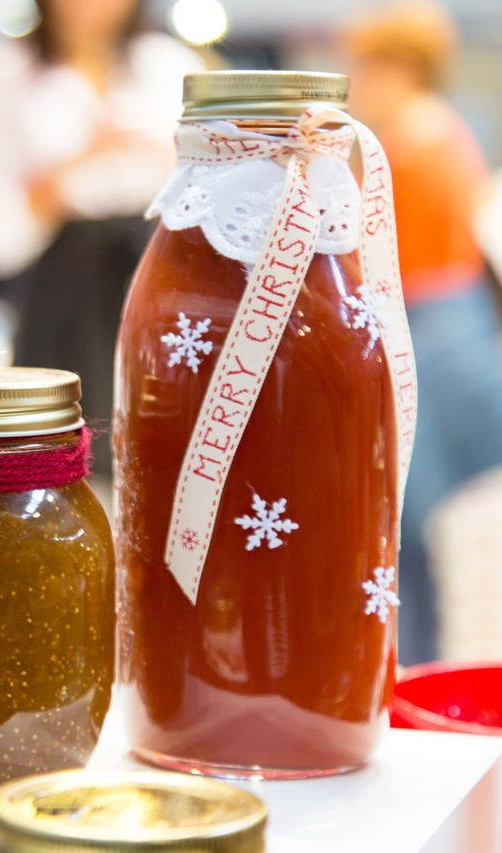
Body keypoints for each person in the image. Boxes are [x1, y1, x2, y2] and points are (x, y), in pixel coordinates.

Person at [0, 0, 202, 473]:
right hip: (62, 288)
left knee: (163, 450)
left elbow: (204, 187)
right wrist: (73, 166)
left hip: (157, 272)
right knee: (65, 459)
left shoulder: (170, 66)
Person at [345, 1, 502, 664]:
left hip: (419, 327)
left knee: (402, 515)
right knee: (415, 518)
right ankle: (415, 653)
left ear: (397, 64)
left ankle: (409, 660)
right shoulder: (456, 132)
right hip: (456, 320)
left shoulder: (402, 149)